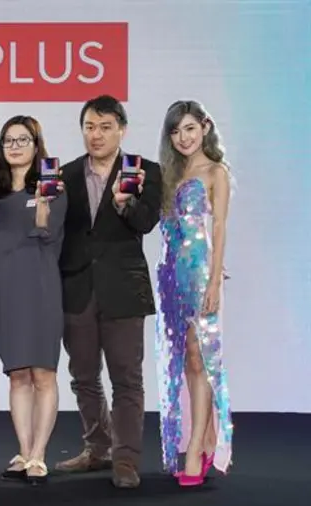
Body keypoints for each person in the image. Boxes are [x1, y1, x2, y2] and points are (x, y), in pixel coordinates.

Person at [53, 95, 162, 488]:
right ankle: (97, 448)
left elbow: (147, 222)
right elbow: (55, 230)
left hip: (123, 289)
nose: (95, 135)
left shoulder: (145, 171)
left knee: (126, 379)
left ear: (122, 130)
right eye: (89, 127)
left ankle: (126, 460)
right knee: (83, 375)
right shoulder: (64, 174)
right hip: (76, 287)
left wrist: (125, 203)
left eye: (104, 127)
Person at [0, 116, 67, 485]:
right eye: (8, 140)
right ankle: (24, 451)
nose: (14, 146)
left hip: (40, 286)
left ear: (36, 144)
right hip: (3, 290)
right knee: (17, 375)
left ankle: (39, 454)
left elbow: (50, 234)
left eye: (22, 139)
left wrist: (42, 203)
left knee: (43, 372)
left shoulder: (53, 187)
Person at [154, 100, 233, 486]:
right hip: (169, 276)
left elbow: (219, 228)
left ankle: (196, 448)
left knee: (200, 359)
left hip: (200, 275)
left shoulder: (215, 172)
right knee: (182, 360)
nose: (183, 138)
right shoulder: (168, 174)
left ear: (204, 126)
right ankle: (204, 437)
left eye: (189, 128)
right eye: (175, 131)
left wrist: (214, 280)